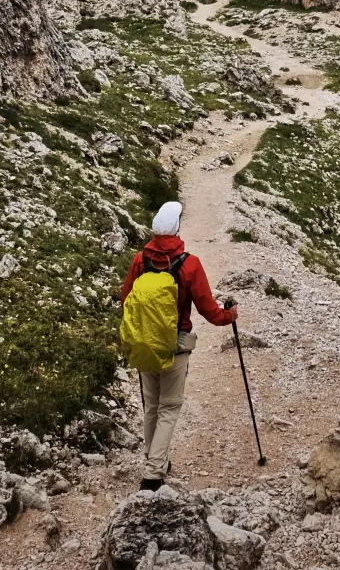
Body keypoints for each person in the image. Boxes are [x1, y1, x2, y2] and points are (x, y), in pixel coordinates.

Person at [120, 200, 238, 489]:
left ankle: (154, 457)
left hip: (145, 344)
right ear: (176, 230)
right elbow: (209, 310)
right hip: (176, 346)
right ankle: (153, 473)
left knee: (152, 406)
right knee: (170, 407)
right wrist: (229, 315)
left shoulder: (139, 261)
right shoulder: (189, 263)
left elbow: (126, 301)